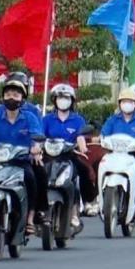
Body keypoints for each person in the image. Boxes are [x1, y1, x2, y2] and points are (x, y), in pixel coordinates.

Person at [0, 73, 48, 234]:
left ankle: (31, 216)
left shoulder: (30, 115)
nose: (11, 98)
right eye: (8, 94)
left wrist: (36, 149)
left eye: (16, 94)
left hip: (21, 160)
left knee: (33, 176)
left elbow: (37, 135)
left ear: (23, 96)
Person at [41, 83, 97, 222]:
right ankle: (38, 208)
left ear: (72, 100)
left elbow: (80, 137)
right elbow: (40, 135)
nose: (63, 100)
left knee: (84, 170)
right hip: (49, 156)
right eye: (60, 97)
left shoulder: (78, 120)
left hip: (69, 156)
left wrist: (82, 146)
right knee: (37, 174)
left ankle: (86, 203)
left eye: (66, 97)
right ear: (54, 100)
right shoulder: (47, 119)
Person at [98, 88, 135, 217]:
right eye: (124, 101)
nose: (127, 104)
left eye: (130, 102)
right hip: (115, 154)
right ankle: (98, 198)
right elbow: (104, 133)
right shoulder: (112, 120)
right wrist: (100, 138)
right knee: (99, 165)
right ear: (120, 104)